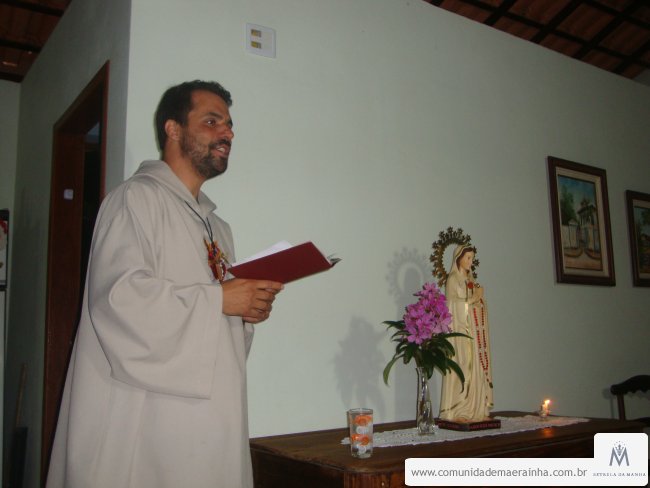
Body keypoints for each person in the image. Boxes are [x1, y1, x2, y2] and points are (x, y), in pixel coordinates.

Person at [46, 80, 284, 488]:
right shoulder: (134, 200)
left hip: (214, 417)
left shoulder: (218, 228)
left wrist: (246, 311)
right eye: (212, 122)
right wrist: (220, 301)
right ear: (173, 129)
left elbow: (219, 327)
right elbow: (118, 300)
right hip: (148, 419)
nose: (227, 133)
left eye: (229, 125)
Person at [438, 244, 493, 422]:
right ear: (459, 258)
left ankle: (476, 410)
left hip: (473, 333)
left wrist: (479, 299)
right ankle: (459, 410)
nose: (470, 262)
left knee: (475, 368)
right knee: (463, 366)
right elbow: (451, 305)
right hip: (459, 333)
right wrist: (472, 299)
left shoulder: (470, 279)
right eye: (468, 258)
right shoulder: (453, 279)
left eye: (472, 258)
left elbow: (476, 305)